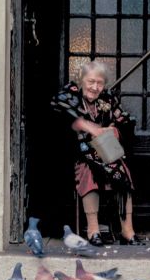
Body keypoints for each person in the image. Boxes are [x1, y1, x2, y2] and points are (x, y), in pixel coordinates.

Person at [51, 60, 141, 246]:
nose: (95, 87)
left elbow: (124, 119)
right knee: (88, 172)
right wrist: (87, 126)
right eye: (91, 81)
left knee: (123, 173)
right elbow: (58, 108)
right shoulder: (70, 95)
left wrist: (115, 130)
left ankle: (127, 230)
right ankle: (93, 231)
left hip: (106, 152)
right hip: (81, 154)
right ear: (81, 80)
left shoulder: (107, 98)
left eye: (99, 83)